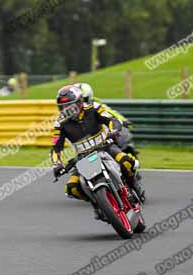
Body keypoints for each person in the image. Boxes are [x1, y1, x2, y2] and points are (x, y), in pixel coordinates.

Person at [50, 86, 144, 218]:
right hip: (83, 157)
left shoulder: (93, 108)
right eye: (63, 107)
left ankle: (134, 186)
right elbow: (56, 148)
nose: (67, 110)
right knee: (72, 188)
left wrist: (113, 131)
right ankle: (97, 202)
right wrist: (57, 164)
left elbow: (112, 120)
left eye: (70, 106)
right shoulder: (60, 123)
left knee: (127, 162)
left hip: (106, 147)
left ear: (80, 102)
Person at [73, 82, 136, 153]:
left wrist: (123, 120)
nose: (81, 103)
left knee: (119, 138)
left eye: (83, 99)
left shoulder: (95, 104)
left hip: (103, 132)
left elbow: (110, 111)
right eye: (77, 101)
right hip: (87, 138)